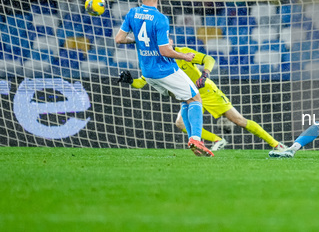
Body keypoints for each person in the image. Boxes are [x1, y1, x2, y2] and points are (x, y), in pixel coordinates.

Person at [118, 36, 286, 152]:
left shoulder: (182, 52)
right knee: (181, 124)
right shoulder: (155, 63)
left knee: (239, 121)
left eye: (168, 40)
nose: (166, 43)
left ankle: (276, 144)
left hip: (207, 91)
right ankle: (217, 140)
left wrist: (204, 75)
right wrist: (131, 81)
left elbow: (209, 59)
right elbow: (141, 82)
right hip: (190, 96)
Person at [114, 0, 213, 157]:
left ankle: (193, 141)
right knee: (196, 98)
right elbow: (164, 50)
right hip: (164, 69)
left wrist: (136, 39)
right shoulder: (160, 18)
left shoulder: (132, 13)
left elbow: (119, 39)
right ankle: (196, 139)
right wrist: (184, 56)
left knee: (185, 100)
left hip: (148, 72)